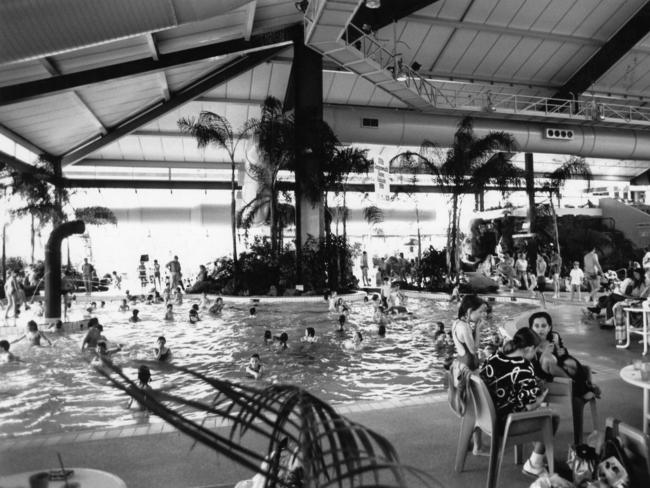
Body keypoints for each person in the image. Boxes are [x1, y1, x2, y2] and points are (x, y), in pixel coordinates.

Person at [480, 327, 558, 477]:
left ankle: (538, 456)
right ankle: (534, 465)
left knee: (538, 411)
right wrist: (540, 398)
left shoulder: (494, 357)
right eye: (535, 351)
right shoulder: (524, 367)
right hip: (505, 422)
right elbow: (530, 405)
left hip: (486, 416)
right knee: (552, 418)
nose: (535, 355)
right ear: (529, 349)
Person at [528, 311, 600, 401]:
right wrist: (545, 353)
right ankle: (579, 389)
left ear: (549, 327)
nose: (540, 330)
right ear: (531, 328)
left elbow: (564, 355)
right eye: (536, 326)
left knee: (572, 363)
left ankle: (586, 386)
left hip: (560, 368)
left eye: (543, 326)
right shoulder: (529, 344)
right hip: (543, 375)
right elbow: (532, 368)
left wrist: (563, 351)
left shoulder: (554, 337)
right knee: (547, 359)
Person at [451, 295, 487, 371]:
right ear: (469, 311)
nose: (481, 315)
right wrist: (477, 329)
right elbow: (473, 350)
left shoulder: (456, 322)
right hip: (469, 366)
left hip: (461, 361)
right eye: (480, 312)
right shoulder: (465, 327)